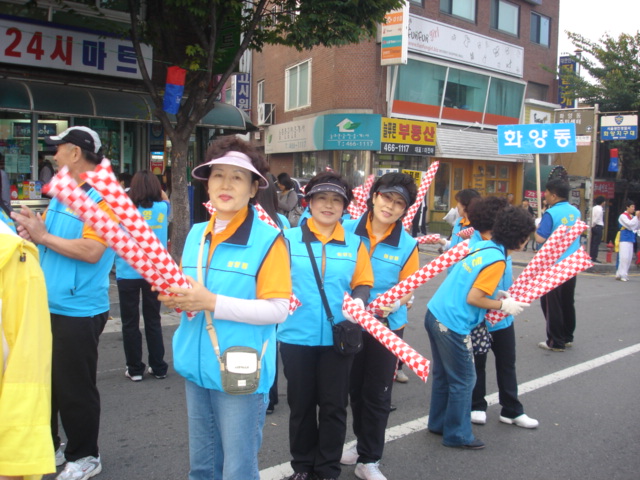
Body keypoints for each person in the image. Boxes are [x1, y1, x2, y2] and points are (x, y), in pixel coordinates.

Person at [157, 137, 292, 480]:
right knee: (202, 467)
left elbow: (278, 309)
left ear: (252, 189)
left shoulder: (268, 239)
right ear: (207, 184)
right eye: (218, 175)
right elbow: (192, 299)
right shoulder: (196, 235)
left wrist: (211, 303)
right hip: (195, 365)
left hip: (240, 370)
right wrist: (179, 301)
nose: (226, 184)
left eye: (237, 176)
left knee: (237, 469)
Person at [12, 126, 115, 480]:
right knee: (48, 382)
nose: (53, 155)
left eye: (59, 149)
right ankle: (52, 445)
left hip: (78, 307)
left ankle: (86, 455)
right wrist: (35, 231)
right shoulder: (65, 193)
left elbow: (92, 250)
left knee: (74, 386)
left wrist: (44, 236)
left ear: (76, 153)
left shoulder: (103, 197)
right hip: (49, 303)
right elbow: (53, 240)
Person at [278, 171, 373, 480]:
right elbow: (272, 281)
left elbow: (363, 282)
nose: (329, 205)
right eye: (322, 198)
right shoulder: (287, 240)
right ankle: (303, 466)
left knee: (333, 407)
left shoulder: (355, 244)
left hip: (340, 338)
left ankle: (327, 468)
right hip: (296, 336)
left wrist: (359, 299)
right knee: (301, 406)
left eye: (336, 200)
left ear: (345, 207)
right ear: (309, 202)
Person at [424, 206, 533, 450]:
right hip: (452, 323)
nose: (526, 243)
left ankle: (439, 423)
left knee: (444, 376)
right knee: (465, 378)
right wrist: (503, 304)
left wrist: (497, 294)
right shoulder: (498, 259)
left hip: (435, 313)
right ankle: (458, 434)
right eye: (526, 238)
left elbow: (470, 282)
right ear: (518, 237)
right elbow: (474, 298)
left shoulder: (484, 246)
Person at [340, 173, 419, 480]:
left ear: (405, 209)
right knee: (354, 389)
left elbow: (409, 286)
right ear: (374, 197)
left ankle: (369, 458)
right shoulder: (345, 229)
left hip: (386, 327)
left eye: (399, 203)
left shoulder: (408, 243)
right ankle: (361, 442)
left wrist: (399, 301)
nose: (391, 206)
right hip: (349, 322)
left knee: (378, 392)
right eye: (387, 197)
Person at [467, 197, 538, 430]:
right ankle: (477, 405)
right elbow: (468, 286)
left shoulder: (503, 246)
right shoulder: (473, 245)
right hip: (479, 317)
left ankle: (512, 409)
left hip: (503, 319)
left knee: (507, 363)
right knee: (478, 362)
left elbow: (504, 276)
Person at [0, 223, 55, 480]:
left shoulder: (13, 256)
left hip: (78, 306)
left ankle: (85, 454)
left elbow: (26, 369)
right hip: (59, 301)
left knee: (77, 392)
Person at [115, 171, 170, 382]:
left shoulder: (123, 210)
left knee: (130, 322)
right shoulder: (163, 208)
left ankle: (135, 368)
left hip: (127, 271)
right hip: (155, 273)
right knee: (153, 319)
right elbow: (164, 197)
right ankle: (158, 367)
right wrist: (158, 191)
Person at [534, 179, 581, 352]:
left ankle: (555, 341)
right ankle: (568, 336)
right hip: (572, 262)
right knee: (567, 301)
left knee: (551, 303)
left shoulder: (551, 213)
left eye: (546, 192)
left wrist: (537, 226)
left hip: (553, 263)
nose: (544, 195)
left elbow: (540, 238)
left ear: (553, 195)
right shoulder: (576, 211)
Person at [615, 200, 639, 282]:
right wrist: (636, 217)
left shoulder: (632, 217)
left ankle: (620, 273)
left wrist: (637, 218)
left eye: (634, 207)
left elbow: (636, 227)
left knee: (628, 258)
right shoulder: (623, 216)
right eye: (632, 206)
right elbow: (630, 225)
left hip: (631, 238)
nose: (633, 208)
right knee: (624, 257)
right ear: (627, 207)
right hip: (624, 238)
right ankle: (622, 274)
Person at [590, 196, 606, 262]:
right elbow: (596, 219)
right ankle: (594, 257)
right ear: (602, 202)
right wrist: (593, 225)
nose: (604, 203)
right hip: (598, 226)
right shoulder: (600, 209)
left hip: (594, 227)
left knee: (593, 242)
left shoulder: (593, 208)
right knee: (596, 243)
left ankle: (591, 255)